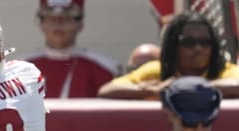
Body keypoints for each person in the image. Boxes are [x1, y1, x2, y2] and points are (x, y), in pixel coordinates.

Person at [98, 11, 239, 99]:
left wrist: (191, 87)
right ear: (173, 46)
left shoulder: (224, 70)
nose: (198, 48)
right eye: (188, 42)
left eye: (205, 42)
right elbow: (106, 90)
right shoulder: (156, 70)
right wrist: (151, 90)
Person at [21, 0, 119, 98]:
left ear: (80, 24)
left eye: (66, 17)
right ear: (41, 24)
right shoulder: (21, 69)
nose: (58, 24)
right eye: (51, 18)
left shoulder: (104, 68)